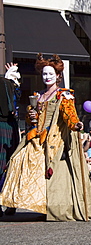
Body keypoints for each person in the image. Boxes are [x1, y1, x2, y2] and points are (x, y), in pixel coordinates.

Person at [0, 53, 91, 221]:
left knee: (51, 172)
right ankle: (15, 202)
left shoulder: (64, 94)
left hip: (55, 138)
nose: (47, 77)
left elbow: (70, 115)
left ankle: (51, 206)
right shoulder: (38, 95)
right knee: (18, 160)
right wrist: (31, 116)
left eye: (50, 74)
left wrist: (76, 124)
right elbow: (31, 117)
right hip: (37, 136)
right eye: (44, 74)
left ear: (58, 76)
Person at [0, 63, 22, 217]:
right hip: (7, 125)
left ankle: (10, 202)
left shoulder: (6, 83)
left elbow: (10, 106)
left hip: (7, 125)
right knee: (8, 165)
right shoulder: (6, 83)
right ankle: (10, 202)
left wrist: (9, 78)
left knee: (8, 165)